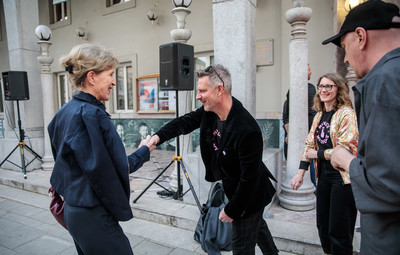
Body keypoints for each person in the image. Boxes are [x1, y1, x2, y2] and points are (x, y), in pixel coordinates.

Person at [149, 64, 278, 255]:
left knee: (242, 246)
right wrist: (158, 137)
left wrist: (232, 210)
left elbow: (248, 180)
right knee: (258, 228)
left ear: (219, 90)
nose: (198, 96)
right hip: (235, 187)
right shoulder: (209, 112)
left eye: (202, 90)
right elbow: (184, 122)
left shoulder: (246, 129)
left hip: (249, 196)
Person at [48, 44, 155, 255]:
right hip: (92, 214)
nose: (114, 82)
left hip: (74, 210)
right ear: (91, 77)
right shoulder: (90, 114)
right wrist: (143, 152)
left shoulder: (65, 111)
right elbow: (108, 171)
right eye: (110, 75)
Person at [322, 1, 400, 254]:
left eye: (344, 48)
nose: (344, 57)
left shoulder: (384, 80)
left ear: (360, 36)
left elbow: (386, 184)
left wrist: (345, 159)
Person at [291, 73, 358, 255]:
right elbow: (309, 144)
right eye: (321, 86)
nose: (324, 90)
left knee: (339, 230)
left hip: (343, 178)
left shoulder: (347, 114)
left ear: (338, 89)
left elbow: (346, 148)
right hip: (324, 177)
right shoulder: (319, 115)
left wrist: (318, 154)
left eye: (329, 86)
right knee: (323, 226)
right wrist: (300, 172)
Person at [282, 64, 317, 188]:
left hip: (293, 137)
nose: (311, 72)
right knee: (308, 170)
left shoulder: (292, 91)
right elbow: (311, 115)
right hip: (304, 137)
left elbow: (286, 117)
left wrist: (289, 135)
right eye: (308, 69)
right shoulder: (310, 88)